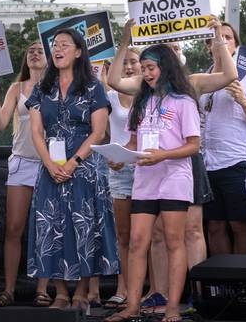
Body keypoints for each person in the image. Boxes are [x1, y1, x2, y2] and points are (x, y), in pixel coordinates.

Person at [107, 17, 239, 312]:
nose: (148, 69)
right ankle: (161, 291)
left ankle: (198, 293)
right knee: (154, 234)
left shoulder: (191, 83)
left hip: (184, 163)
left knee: (190, 231)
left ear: (173, 59)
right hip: (149, 169)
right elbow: (114, 81)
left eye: (174, 46)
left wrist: (217, 35)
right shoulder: (144, 89)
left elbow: (229, 74)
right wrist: (125, 40)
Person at [25, 28, 119, 313]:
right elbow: (37, 132)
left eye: (65, 45)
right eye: (55, 45)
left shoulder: (93, 87)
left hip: (85, 167)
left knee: (84, 227)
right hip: (50, 167)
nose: (58, 49)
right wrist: (50, 163)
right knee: (50, 227)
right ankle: (61, 292)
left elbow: (99, 132)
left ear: (79, 52)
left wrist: (73, 162)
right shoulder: (41, 88)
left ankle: (81, 292)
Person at [106, 44, 201, 322]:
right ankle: (132, 306)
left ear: (166, 67)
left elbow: (194, 145)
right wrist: (120, 157)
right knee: (137, 241)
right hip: (144, 180)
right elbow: (134, 142)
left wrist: (164, 155)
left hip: (174, 178)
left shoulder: (184, 101)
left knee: (174, 241)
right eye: (144, 69)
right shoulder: (140, 102)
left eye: (151, 68)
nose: (146, 74)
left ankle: (173, 307)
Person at [0, 41, 53, 307]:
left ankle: (42, 289)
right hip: (22, 163)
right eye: (30, 51)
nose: (34, 54)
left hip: (50, 165)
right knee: (13, 228)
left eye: (39, 50)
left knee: (45, 227)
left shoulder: (59, 87)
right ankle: (9, 290)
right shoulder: (17, 87)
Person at [199, 22, 246, 256]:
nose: (221, 41)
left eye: (227, 37)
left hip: (236, 162)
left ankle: (244, 284)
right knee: (214, 225)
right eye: (215, 37)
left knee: (239, 224)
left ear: (235, 45)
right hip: (206, 164)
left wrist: (243, 100)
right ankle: (222, 285)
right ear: (209, 46)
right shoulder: (202, 79)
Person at [101, 47, 140, 310]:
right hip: (118, 170)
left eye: (133, 62)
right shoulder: (109, 98)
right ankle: (122, 287)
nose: (128, 67)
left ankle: (148, 289)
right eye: (123, 62)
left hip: (148, 167)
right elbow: (103, 134)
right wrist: (110, 156)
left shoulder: (149, 97)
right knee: (123, 234)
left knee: (147, 233)